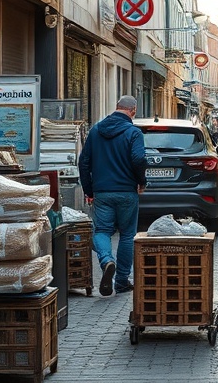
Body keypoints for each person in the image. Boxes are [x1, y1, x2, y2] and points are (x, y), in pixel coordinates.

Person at [79, 95, 147, 296]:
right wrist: (141, 181)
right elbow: (138, 158)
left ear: (116, 107)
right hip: (127, 192)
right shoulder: (134, 132)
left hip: (102, 192)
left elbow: (84, 162)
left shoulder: (96, 130)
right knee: (127, 234)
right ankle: (122, 281)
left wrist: (89, 189)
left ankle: (106, 260)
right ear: (133, 110)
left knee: (101, 231)